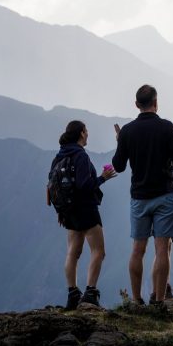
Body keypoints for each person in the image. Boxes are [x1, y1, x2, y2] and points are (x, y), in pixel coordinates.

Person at [112, 85, 173, 308]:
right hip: (165, 196)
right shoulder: (166, 128)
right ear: (156, 103)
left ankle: (136, 300)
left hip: (139, 198)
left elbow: (118, 165)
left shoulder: (127, 131)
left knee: (138, 249)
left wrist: (121, 142)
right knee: (161, 249)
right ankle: (158, 300)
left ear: (137, 105)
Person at [48, 120, 116, 310]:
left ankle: (72, 293)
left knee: (73, 252)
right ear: (81, 134)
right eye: (86, 131)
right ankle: (90, 293)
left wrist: (61, 211)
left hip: (68, 212)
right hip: (86, 209)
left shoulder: (58, 157)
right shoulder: (80, 156)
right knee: (98, 251)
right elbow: (85, 185)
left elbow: (53, 187)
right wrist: (103, 177)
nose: (88, 135)